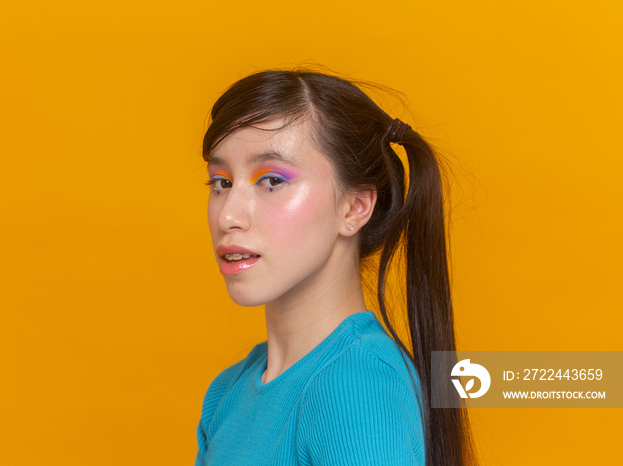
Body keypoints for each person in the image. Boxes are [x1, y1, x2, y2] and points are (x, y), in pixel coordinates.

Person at [194, 68, 475, 465]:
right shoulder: (227, 393)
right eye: (221, 182)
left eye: (271, 180)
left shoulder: (358, 386)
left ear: (355, 206)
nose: (228, 216)